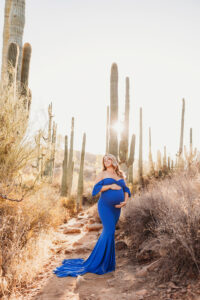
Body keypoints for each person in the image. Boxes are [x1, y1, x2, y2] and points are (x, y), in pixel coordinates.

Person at [53, 153, 131, 277]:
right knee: (109, 231)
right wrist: (110, 185)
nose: (106, 161)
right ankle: (98, 262)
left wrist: (125, 201)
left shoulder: (120, 174)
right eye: (104, 160)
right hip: (105, 206)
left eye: (109, 158)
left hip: (117, 208)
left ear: (114, 160)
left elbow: (126, 189)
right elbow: (96, 188)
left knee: (108, 232)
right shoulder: (102, 174)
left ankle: (108, 263)